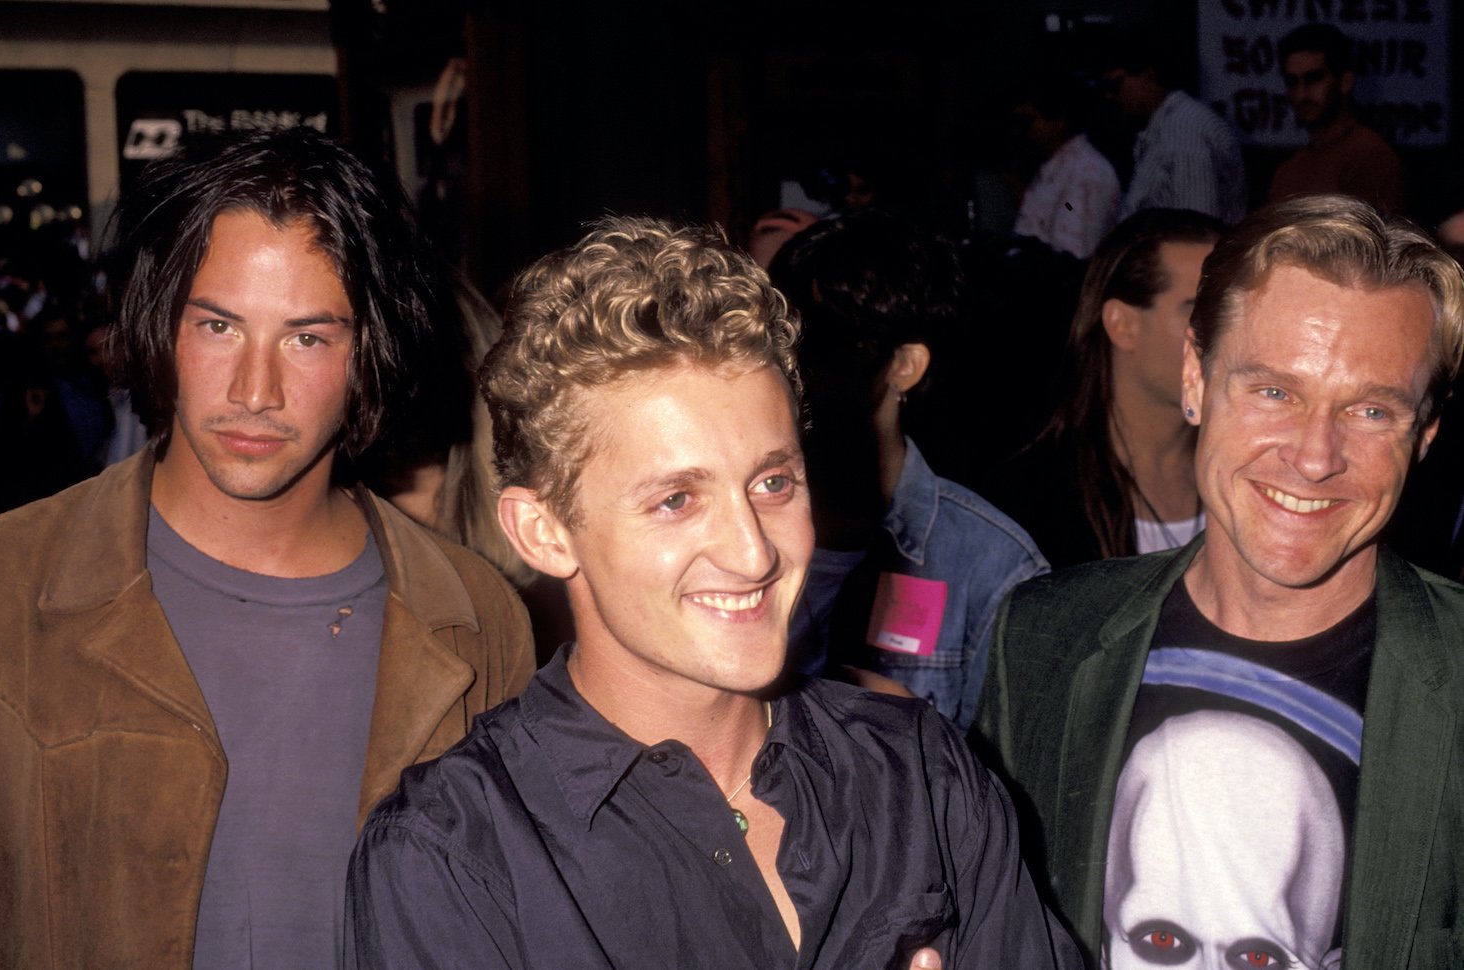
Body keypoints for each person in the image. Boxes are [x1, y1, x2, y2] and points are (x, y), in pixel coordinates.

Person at [347, 216, 1082, 969]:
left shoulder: (919, 776)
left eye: (772, 483)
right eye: (676, 500)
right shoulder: (453, 856)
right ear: (544, 532)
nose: (753, 550)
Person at [0, 127, 535, 969]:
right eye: (221, 326)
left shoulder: (480, 619)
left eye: (308, 337)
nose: (254, 392)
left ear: (368, 350)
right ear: (160, 324)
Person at [975, 194, 1464, 967]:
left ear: (1425, 434)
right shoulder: (1041, 641)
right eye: (1274, 391)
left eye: (1371, 411)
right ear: (1196, 379)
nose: (1313, 457)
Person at [772, 210, 1046, 729]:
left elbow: (1018, 787)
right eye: (778, 336)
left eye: (822, 345)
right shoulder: (736, 530)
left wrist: (916, 745)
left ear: (905, 366)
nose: (790, 364)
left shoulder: (992, 567)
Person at [983, 208, 1225, 568]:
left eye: (1233, 311)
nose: (1227, 334)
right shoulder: (1034, 499)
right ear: (1122, 325)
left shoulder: (1250, 472)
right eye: (1199, 313)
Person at [1101, 35, 1247, 225]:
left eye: (1115, 84)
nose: (1109, 96)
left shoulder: (1184, 131)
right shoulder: (1168, 127)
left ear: (1148, 76)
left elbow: (1197, 233)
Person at [1268, 22, 1404, 213]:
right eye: (1292, 82)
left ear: (1345, 82)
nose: (1301, 95)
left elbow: (1376, 238)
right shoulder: (1288, 171)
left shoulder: (1370, 157)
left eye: (1313, 79)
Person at [1011, 79, 1123, 260]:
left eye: (1027, 123)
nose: (1020, 132)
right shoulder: (1051, 168)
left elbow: (1073, 258)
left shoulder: (1087, 173)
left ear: (1058, 121)